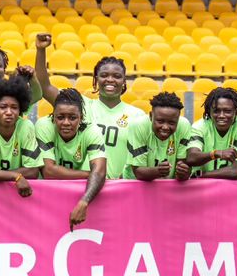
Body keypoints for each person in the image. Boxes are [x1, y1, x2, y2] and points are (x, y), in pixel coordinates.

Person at [36, 35, 145, 179]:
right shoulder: (80, 105)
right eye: (104, 75)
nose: (110, 80)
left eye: (117, 76)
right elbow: (44, 87)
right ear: (96, 79)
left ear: (124, 81)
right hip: (84, 184)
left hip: (118, 188)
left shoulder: (138, 115)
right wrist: (41, 50)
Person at [36, 88, 107, 229]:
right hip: (44, 195)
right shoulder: (44, 126)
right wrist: (89, 175)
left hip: (76, 194)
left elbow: (99, 171)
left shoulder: (92, 131)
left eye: (72, 118)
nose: (66, 122)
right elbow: (48, 171)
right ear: (53, 116)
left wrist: (84, 202)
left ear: (81, 117)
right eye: (60, 117)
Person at [185, 88, 237, 179]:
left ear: (236, 112)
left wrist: (203, 174)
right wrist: (216, 153)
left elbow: (235, 171)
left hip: (232, 187)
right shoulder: (199, 126)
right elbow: (191, 158)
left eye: (227, 111)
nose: (221, 115)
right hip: (203, 187)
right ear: (209, 111)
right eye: (216, 111)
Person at [128, 92, 192, 181]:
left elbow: (182, 168)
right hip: (135, 185)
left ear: (178, 119)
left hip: (167, 188)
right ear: (151, 116)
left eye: (172, 123)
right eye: (160, 121)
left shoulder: (184, 125)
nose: (165, 127)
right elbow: (138, 172)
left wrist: (183, 172)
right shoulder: (138, 126)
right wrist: (158, 171)